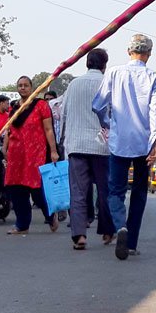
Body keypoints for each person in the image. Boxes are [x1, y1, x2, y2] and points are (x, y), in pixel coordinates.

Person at [92, 34, 156, 261]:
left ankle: (120, 226)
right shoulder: (155, 77)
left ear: (128, 51)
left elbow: (98, 105)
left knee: (115, 191)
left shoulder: (114, 73)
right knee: (139, 193)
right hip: (143, 143)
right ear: (149, 54)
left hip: (119, 141)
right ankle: (131, 243)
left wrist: (108, 123)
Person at [60, 47, 114, 249]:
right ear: (104, 65)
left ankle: (79, 235)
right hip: (102, 146)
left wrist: (62, 142)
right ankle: (108, 231)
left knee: (78, 192)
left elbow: (63, 115)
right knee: (105, 191)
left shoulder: (73, 85)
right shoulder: (107, 83)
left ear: (87, 63)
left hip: (76, 145)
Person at [3, 74, 61, 235]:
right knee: (15, 187)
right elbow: (9, 130)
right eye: (20, 85)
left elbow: (48, 129)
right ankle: (22, 225)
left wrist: (54, 150)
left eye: (26, 85)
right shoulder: (14, 107)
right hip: (16, 153)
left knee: (36, 187)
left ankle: (50, 217)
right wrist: (5, 148)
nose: (23, 88)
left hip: (35, 152)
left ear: (31, 87)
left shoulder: (41, 105)